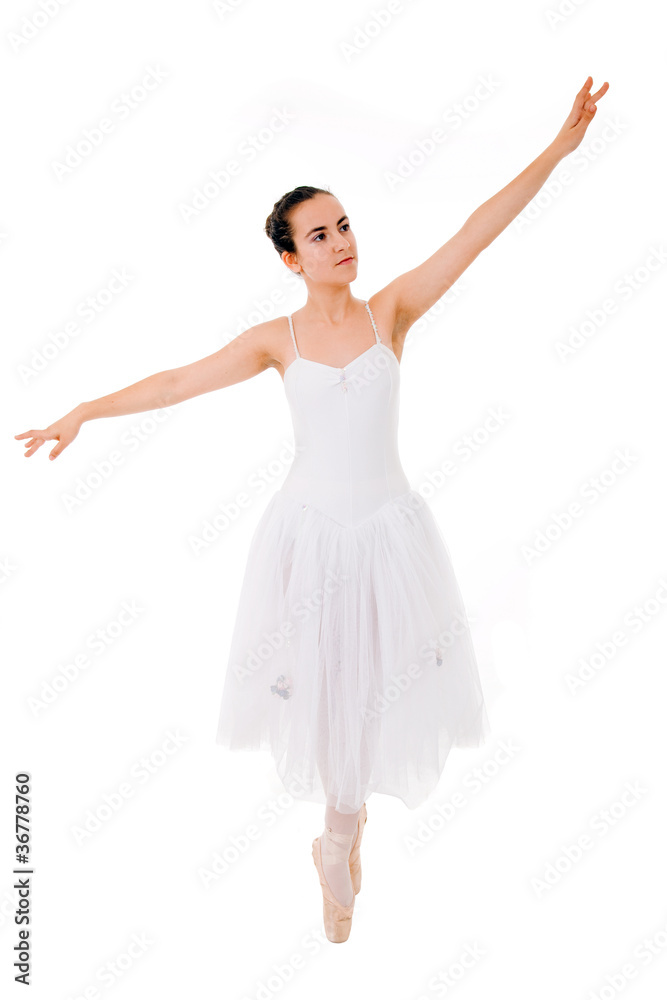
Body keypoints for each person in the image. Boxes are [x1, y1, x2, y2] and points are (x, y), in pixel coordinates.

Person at [15, 76, 609, 943]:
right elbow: (178, 380)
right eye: (318, 234)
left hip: (389, 535)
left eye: (343, 226)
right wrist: (82, 412)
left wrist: (556, 149)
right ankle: (338, 843)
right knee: (331, 693)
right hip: (310, 539)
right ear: (290, 258)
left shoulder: (390, 312)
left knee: (376, 692)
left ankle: (341, 838)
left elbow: (474, 232)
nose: (339, 242)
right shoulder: (275, 340)